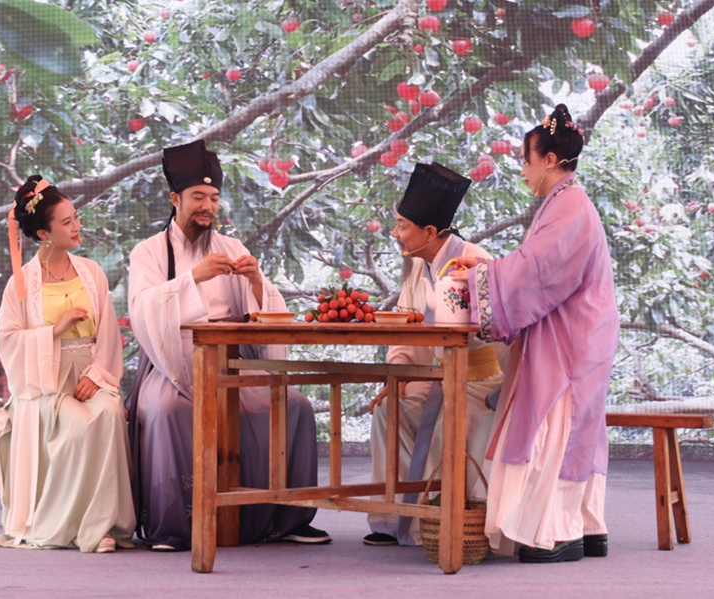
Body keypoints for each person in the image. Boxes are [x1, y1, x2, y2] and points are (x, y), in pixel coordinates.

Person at [126, 139, 329, 551]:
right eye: (198, 197)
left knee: (295, 406)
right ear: (175, 199)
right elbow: (143, 308)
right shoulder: (149, 251)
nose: (208, 206)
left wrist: (255, 282)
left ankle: (286, 517)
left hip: (231, 361)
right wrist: (193, 279)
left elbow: (265, 310)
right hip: (172, 364)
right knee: (166, 411)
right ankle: (177, 526)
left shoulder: (232, 247)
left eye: (214, 198)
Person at [449, 104, 619, 563]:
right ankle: (584, 525)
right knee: (575, 428)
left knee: (555, 428)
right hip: (580, 331)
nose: (523, 170)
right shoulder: (566, 202)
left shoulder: (569, 206)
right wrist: (487, 269)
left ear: (549, 160)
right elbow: (533, 269)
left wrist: (481, 276)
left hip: (571, 339)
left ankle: (557, 532)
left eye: (526, 160)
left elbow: (537, 272)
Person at [0, 176, 135, 553]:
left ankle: (101, 526)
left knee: (109, 413)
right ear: (44, 233)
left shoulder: (92, 271)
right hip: (46, 381)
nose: (76, 227)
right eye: (67, 222)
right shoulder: (21, 283)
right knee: (80, 424)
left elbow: (107, 331)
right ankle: (70, 525)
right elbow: (9, 339)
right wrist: (55, 330)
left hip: (90, 372)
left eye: (76, 218)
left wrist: (98, 375)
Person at [363, 162, 508, 547]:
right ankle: (393, 517)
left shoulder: (474, 261)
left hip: (480, 382)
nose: (394, 234)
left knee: (448, 418)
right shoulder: (417, 267)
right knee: (389, 409)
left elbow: (505, 330)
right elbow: (406, 330)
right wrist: (396, 376)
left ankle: (447, 522)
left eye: (401, 225)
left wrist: (508, 390)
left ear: (429, 232)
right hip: (434, 378)